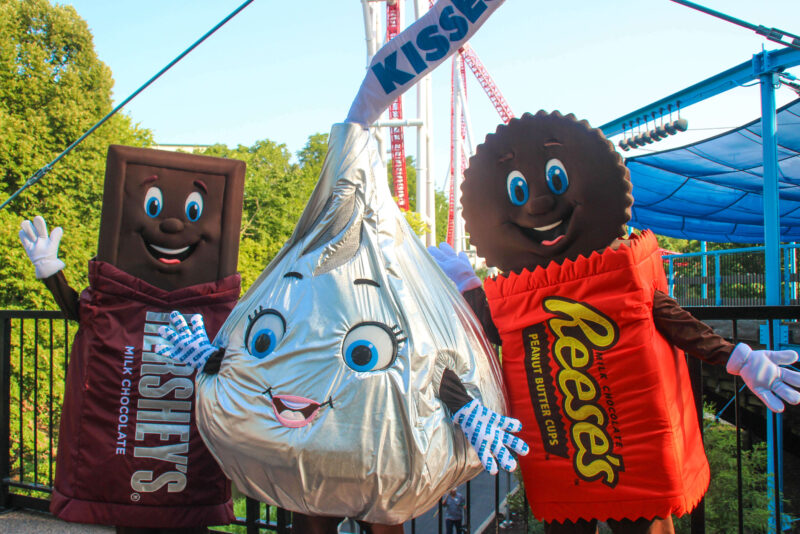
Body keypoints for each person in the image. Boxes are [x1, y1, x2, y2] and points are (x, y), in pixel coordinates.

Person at [429, 110, 800, 534]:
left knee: (642, 522)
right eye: (518, 190)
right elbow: (493, 330)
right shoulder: (520, 296)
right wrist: (468, 288)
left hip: (630, 454)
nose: (539, 204)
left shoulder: (620, 276)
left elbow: (675, 322)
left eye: (554, 182)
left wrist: (739, 358)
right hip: (567, 461)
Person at [19, 146, 245, 533]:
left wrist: (212, 359)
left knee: (180, 515)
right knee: (132, 513)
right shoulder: (116, 302)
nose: (174, 226)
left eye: (193, 213)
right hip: (136, 471)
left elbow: (241, 361)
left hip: (179, 468)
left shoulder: (216, 311)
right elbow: (89, 316)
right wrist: (51, 273)